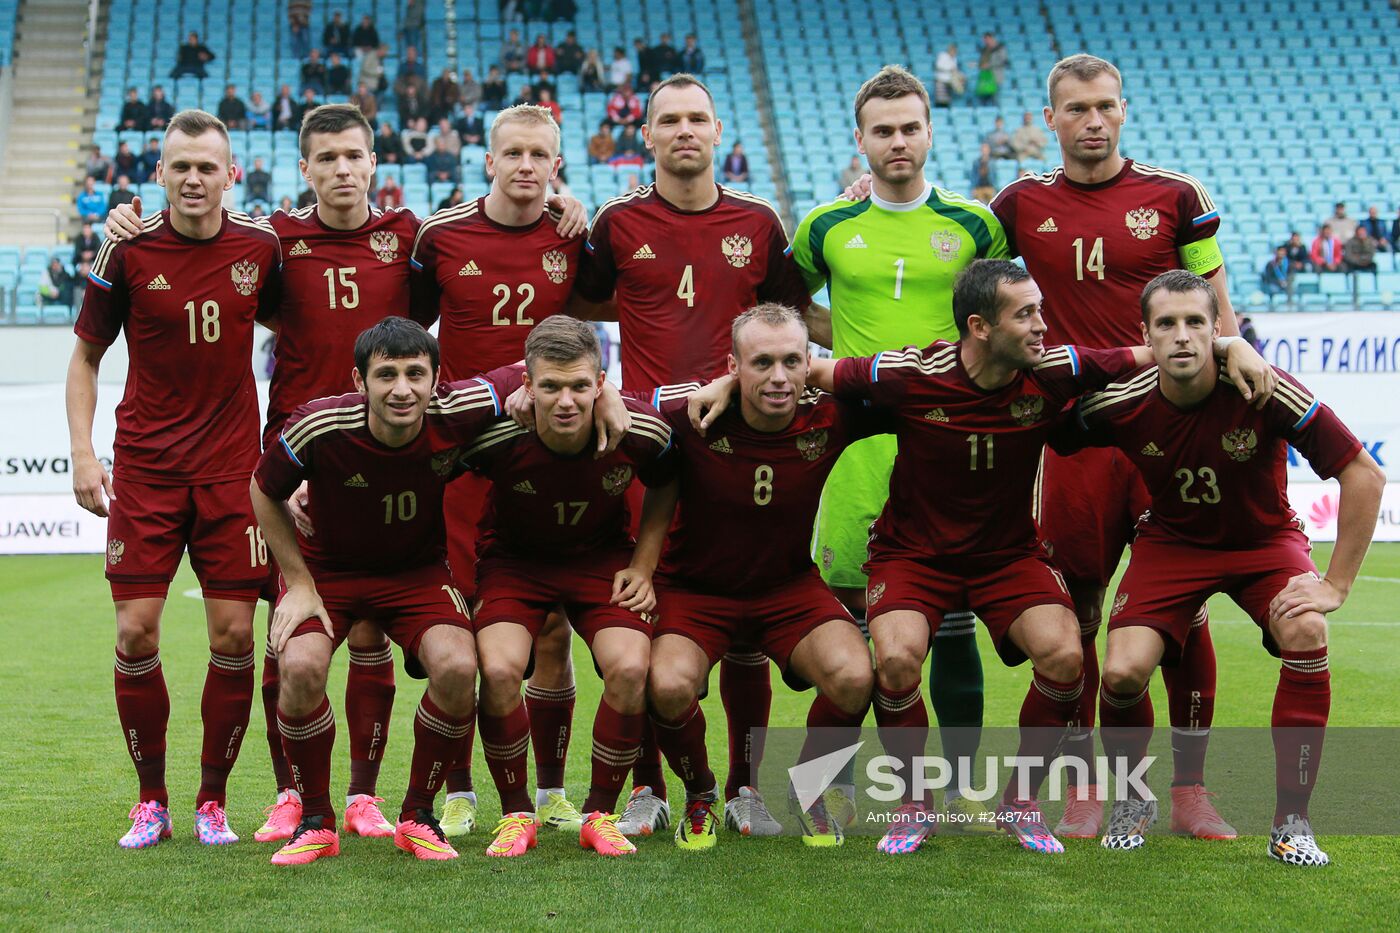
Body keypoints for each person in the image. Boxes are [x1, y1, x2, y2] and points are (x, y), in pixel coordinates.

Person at [798, 259, 1270, 855]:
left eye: (1040, 310)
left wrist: (1230, 344)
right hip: (913, 555)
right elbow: (810, 369)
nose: (1043, 326)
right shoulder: (911, 373)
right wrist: (724, 385)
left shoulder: (1055, 369)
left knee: (1065, 655)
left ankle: (1019, 801)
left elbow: (1156, 351)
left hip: (1007, 555)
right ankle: (914, 805)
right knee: (895, 659)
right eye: (1026, 314)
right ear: (980, 327)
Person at [981, 54, 1256, 840]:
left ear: (1124, 110)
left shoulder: (1176, 197)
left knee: (1183, 610)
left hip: (1167, 434)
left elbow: (1219, 311)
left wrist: (1234, 364)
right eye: (1076, 108)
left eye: (1105, 105)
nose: (1093, 120)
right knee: (1074, 612)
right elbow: (961, 266)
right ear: (1051, 119)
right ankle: (1087, 788)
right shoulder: (1017, 204)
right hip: (1071, 438)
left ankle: (1189, 790)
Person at [1062, 270, 1383, 864]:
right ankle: (1134, 800)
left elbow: (1364, 473)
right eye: (1166, 324)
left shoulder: (1263, 386)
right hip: (1172, 544)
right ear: (1145, 336)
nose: (1181, 335)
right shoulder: (1124, 401)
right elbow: (1046, 418)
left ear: (1216, 330)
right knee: (1122, 673)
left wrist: (1335, 585)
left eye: (1195, 322)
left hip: (1264, 543)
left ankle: (1292, 824)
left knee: (1307, 629)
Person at [570, 73, 811, 838]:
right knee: (640, 615)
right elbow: (579, 304)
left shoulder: (759, 222)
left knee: (744, 628)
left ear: (717, 131)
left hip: (736, 448)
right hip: (647, 448)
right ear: (645, 134)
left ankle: (744, 787)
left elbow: (792, 318)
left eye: (697, 118)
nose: (684, 130)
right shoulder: (617, 221)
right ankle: (649, 786)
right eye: (669, 119)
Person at [796, 65, 1010, 839]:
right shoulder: (826, 225)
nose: (897, 141)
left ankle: (959, 788)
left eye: (909, 127)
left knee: (953, 622)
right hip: (856, 452)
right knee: (855, 631)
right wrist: (850, 350)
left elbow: (1008, 308)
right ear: (860, 139)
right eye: (882, 130)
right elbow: (785, 305)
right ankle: (829, 784)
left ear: (930, 132)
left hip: (949, 449)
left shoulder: (975, 224)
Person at [67, 109, 282, 851]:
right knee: (134, 632)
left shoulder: (261, 246)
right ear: (159, 173)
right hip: (148, 470)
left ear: (231, 174)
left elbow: (304, 323)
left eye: (207, 167)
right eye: (180, 166)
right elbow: (85, 358)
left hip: (232, 473)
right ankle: (151, 800)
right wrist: (82, 452)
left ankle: (212, 801)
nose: (194, 179)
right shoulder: (126, 249)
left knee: (234, 633)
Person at [249, 319, 519, 863]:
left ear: (437, 379)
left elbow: (534, 367)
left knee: (458, 666)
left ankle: (417, 816)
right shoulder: (319, 425)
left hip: (415, 572)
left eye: (416, 374)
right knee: (298, 666)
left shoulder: (457, 409)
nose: (402, 389)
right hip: (329, 571)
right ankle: (317, 821)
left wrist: (605, 393)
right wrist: (298, 582)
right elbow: (262, 488)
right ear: (360, 380)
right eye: (386, 374)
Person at [409, 103, 592, 837]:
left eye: (539, 154)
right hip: (463, 462)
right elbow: (405, 330)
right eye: (512, 152)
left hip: (547, 459)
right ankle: (460, 792)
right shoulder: (441, 235)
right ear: (488, 160)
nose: (525, 165)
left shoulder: (572, 236)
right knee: (460, 631)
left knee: (549, 631)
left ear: (556, 165)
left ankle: (550, 791)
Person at [647, 305, 878, 850]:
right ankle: (701, 794)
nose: (778, 377)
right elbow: (613, 399)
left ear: (809, 364)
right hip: (696, 590)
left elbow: (915, 389)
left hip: (787, 588)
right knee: (668, 685)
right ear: (733, 366)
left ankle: (809, 792)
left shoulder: (830, 416)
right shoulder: (692, 411)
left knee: (855, 675)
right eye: (761, 363)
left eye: (791, 362)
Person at [465, 316, 674, 858]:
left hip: (599, 561)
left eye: (580, 386)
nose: (565, 401)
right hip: (514, 563)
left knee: (630, 667)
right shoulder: (494, 434)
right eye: (551, 386)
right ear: (527, 385)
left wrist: (644, 566)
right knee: (499, 670)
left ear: (601, 383)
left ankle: (599, 814)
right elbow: (425, 452)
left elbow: (668, 478)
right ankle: (516, 814)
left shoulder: (638, 429)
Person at [975, 32, 1008, 106]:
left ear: (991, 38)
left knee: (995, 98)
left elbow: (1003, 61)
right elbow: (982, 61)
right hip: (985, 77)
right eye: (984, 40)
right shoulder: (985, 49)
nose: (985, 41)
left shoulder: (1000, 48)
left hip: (995, 76)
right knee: (983, 98)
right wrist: (978, 64)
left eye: (987, 39)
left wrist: (989, 65)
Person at [933, 42, 963, 106]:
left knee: (961, 78)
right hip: (941, 79)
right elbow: (938, 66)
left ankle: (959, 91)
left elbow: (954, 69)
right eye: (953, 50)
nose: (954, 52)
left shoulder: (954, 58)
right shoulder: (942, 55)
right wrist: (949, 69)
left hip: (950, 79)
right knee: (941, 99)